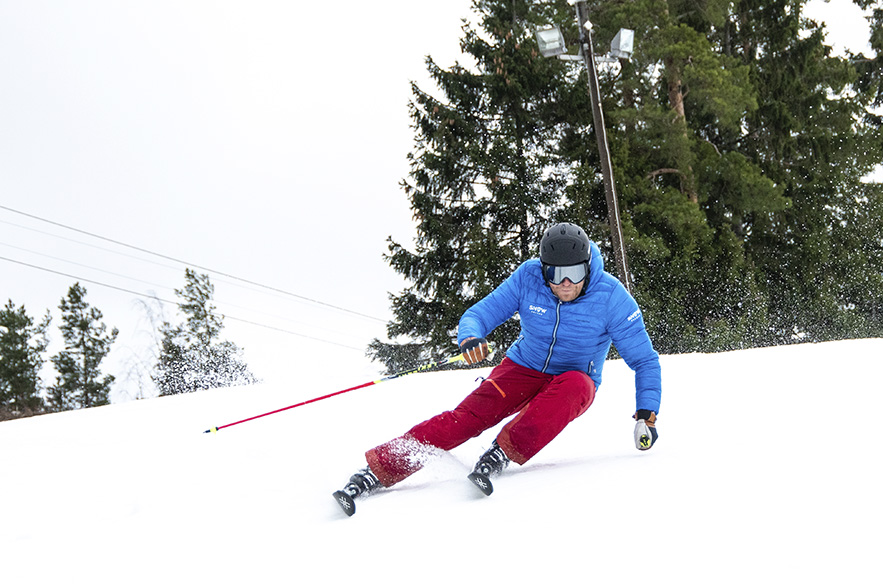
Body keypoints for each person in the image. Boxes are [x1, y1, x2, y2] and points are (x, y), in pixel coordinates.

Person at [334, 222, 661, 513]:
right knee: (465, 419)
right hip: (521, 367)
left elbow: (644, 359)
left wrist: (647, 413)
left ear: (588, 268)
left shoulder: (612, 297)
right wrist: (471, 337)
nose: (563, 283)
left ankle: (502, 452)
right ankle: (378, 470)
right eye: (554, 274)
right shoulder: (528, 277)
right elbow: (479, 314)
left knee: (576, 385)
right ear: (543, 269)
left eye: (574, 274)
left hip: (573, 380)